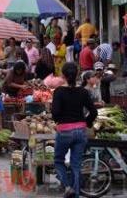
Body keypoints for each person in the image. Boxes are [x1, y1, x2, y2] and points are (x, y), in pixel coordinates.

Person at [52, 62, 98, 198]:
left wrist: (59, 121)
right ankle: (75, 194)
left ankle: (67, 187)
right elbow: (93, 112)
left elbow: (55, 112)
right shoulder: (83, 92)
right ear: (77, 74)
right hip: (80, 131)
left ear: (63, 75)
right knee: (76, 166)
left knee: (59, 161)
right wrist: (87, 123)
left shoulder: (59, 91)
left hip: (64, 131)